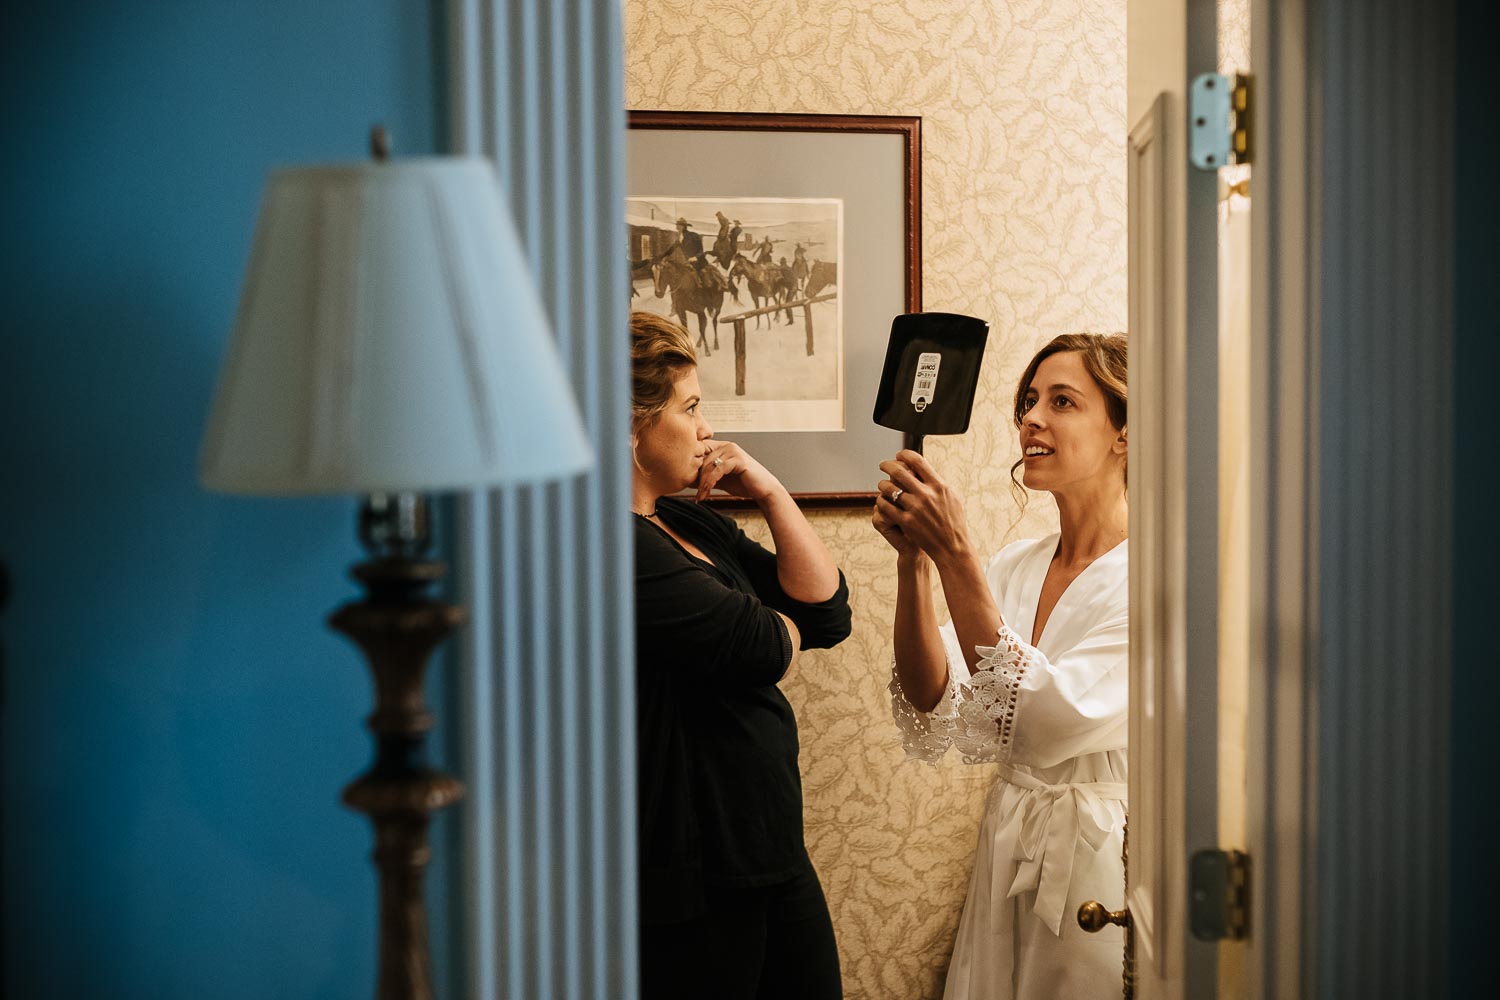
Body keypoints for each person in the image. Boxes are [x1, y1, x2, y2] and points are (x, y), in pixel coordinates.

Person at [872, 333, 1130, 999]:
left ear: (1126, 434)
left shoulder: (1159, 576)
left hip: (1099, 862)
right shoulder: (1017, 564)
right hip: (1010, 838)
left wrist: (957, 554)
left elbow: (1045, 721)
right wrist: (917, 564)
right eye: (1029, 401)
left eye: (1062, 401)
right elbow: (933, 696)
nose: (1031, 418)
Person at [631, 310, 852, 999]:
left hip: (767, 844)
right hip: (693, 869)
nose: (706, 429)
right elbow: (761, 647)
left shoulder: (685, 518)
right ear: (632, 423)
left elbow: (826, 613)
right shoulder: (610, 544)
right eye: (690, 408)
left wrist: (769, 490)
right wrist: (779, 631)